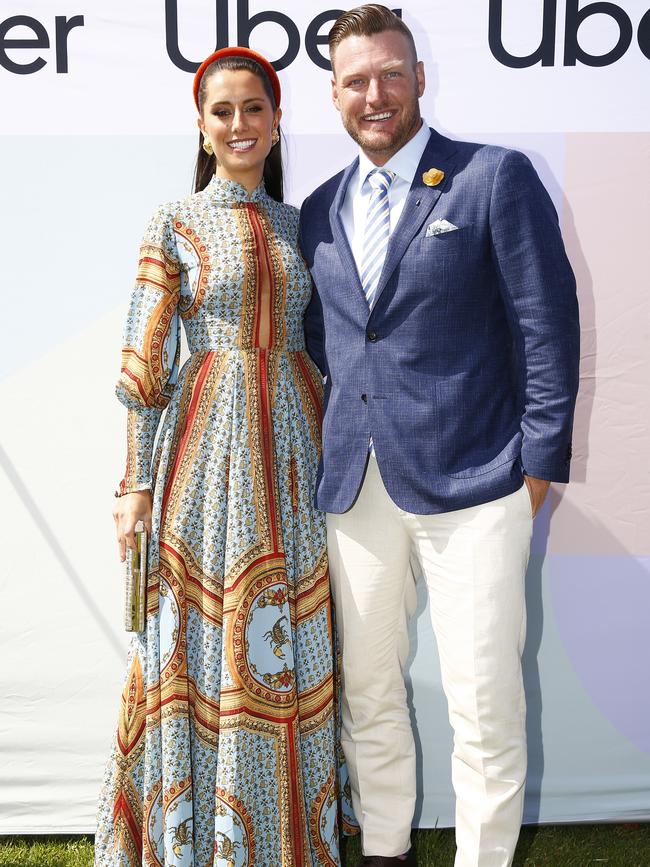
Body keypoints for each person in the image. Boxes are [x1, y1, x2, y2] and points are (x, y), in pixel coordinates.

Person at [299, 5, 580, 867]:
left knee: (482, 699)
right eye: (355, 81)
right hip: (357, 492)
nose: (374, 94)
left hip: (478, 487)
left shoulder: (494, 178)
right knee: (369, 690)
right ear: (335, 94)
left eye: (390, 73)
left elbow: (547, 326)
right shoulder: (318, 209)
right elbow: (329, 346)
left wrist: (534, 468)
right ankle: (384, 850)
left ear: (420, 77)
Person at [96, 47, 351, 867]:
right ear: (202, 130)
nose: (239, 124)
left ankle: (287, 840)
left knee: (294, 638)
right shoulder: (172, 221)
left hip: (297, 449)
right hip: (205, 457)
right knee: (200, 639)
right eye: (222, 112)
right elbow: (142, 364)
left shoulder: (302, 224)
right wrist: (134, 484)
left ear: (277, 123)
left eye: (254, 109)